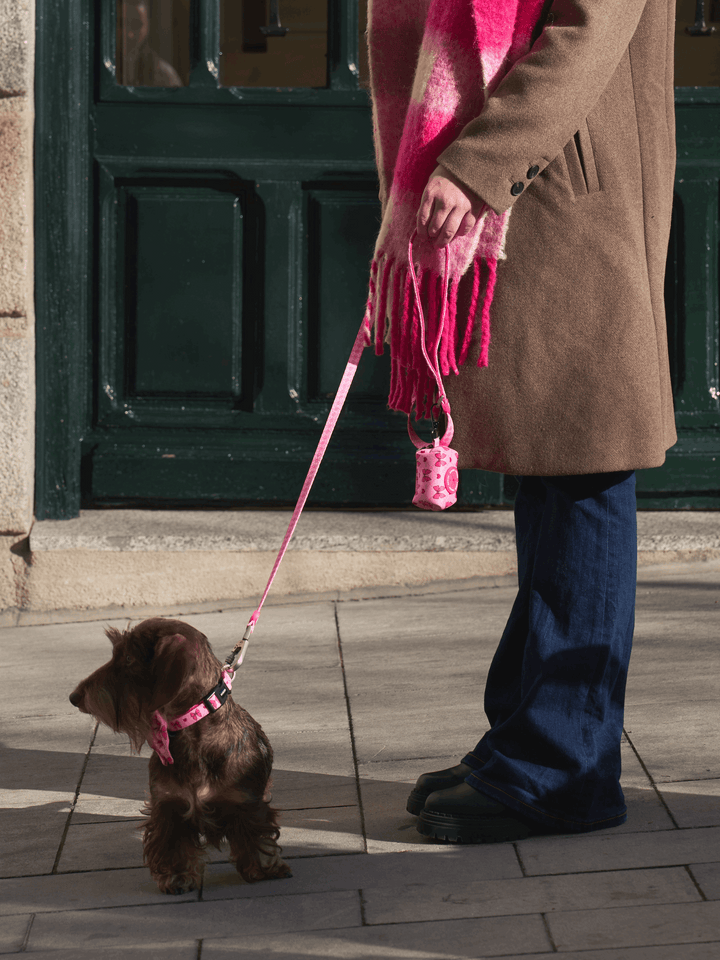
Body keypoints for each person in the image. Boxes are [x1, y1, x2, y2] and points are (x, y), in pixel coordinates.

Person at [365, 0, 677, 841]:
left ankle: (561, 770)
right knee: (549, 475)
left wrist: (478, 163)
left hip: (564, 192)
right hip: (532, 200)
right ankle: (523, 739)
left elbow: (587, 32)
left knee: (582, 468)